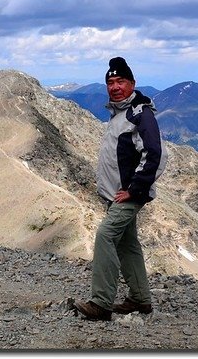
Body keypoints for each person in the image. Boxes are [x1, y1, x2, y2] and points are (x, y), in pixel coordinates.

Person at [74, 57, 168, 321]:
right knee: (128, 245)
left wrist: (135, 189)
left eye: (121, 81)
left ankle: (101, 303)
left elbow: (155, 154)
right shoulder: (119, 112)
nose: (115, 87)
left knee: (105, 235)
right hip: (115, 193)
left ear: (132, 84)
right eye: (111, 82)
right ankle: (140, 299)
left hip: (127, 195)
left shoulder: (140, 114)